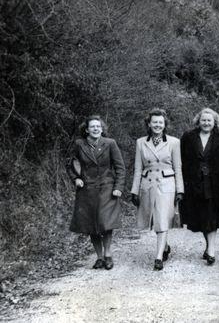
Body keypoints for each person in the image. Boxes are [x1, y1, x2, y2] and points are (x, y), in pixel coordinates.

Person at [67, 115, 125, 270]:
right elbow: (70, 164)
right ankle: (99, 257)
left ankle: (108, 255)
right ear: (86, 130)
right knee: (91, 225)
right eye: (92, 126)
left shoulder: (110, 143)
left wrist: (118, 187)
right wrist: (76, 179)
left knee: (105, 223)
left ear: (102, 129)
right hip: (87, 190)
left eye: (98, 126)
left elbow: (120, 167)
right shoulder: (79, 145)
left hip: (107, 189)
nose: (95, 129)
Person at [180, 108, 219, 265]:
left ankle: (211, 250)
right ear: (198, 121)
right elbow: (181, 159)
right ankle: (208, 246)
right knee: (200, 217)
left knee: (211, 216)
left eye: (209, 120)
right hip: (194, 185)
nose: (206, 123)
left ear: (215, 122)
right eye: (203, 120)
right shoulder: (188, 137)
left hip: (215, 185)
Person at [130, 108, 184, 271]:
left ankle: (158, 256)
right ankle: (165, 246)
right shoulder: (141, 142)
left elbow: (178, 167)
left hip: (167, 185)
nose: (157, 125)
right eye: (154, 122)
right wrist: (134, 190)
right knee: (154, 220)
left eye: (160, 122)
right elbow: (138, 169)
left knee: (162, 218)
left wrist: (180, 189)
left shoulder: (174, 142)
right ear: (149, 124)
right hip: (148, 184)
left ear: (165, 124)